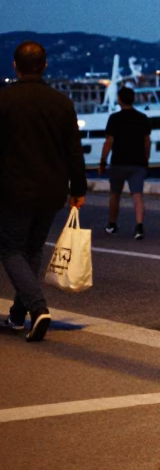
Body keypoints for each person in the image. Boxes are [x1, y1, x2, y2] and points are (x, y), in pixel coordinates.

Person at [0, 41, 88, 342]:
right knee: (33, 249)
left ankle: (38, 309)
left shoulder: (4, 101)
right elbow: (74, 151)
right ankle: (16, 315)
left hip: (13, 189)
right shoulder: (62, 103)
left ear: (15, 66)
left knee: (10, 249)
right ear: (45, 64)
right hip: (52, 189)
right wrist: (79, 188)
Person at [98, 86, 151, 240]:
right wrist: (146, 159)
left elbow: (109, 141)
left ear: (119, 100)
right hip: (138, 162)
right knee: (137, 195)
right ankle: (139, 226)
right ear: (133, 99)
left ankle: (112, 224)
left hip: (118, 162)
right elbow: (147, 142)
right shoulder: (143, 118)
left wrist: (102, 161)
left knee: (115, 194)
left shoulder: (114, 118)